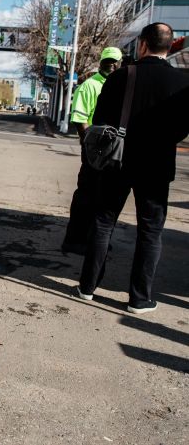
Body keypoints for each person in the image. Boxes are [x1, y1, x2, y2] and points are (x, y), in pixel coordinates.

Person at [77, 22, 189, 314]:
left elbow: (100, 119)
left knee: (104, 222)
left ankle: (87, 287)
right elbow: (182, 129)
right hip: (157, 166)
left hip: (118, 161)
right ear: (170, 46)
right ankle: (139, 299)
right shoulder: (182, 83)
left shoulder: (122, 76)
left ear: (142, 45)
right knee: (151, 231)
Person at [61, 46, 122, 255]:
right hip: (94, 151)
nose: (112, 65)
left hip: (110, 151)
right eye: (108, 61)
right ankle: (75, 240)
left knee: (102, 198)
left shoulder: (116, 84)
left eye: (115, 61)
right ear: (101, 62)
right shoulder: (90, 86)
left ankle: (95, 240)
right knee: (85, 196)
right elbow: (79, 118)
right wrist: (90, 147)